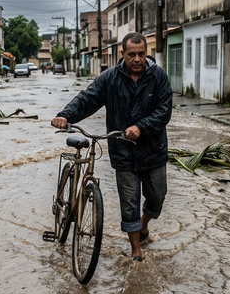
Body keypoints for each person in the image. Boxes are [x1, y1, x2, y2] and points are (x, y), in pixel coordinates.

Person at [51, 32, 172, 262]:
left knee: (157, 197)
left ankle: (144, 225)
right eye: (131, 54)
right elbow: (87, 99)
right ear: (122, 54)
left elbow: (164, 111)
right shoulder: (109, 78)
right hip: (123, 152)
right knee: (129, 202)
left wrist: (141, 126)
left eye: (141, 54)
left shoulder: (158, 77)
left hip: (153, 150)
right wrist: (65, 115)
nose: (137, 59)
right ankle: (136, 250)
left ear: (147, 53)